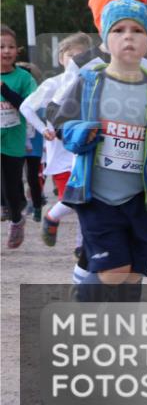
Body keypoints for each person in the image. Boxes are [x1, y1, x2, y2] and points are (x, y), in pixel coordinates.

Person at [52, 0, 147, 301]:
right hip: (97, 194)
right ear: (105, 40)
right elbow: (62, 123)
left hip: (142, 198)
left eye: (137, 30)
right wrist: (80, 133)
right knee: (115, 272)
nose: (128, 36)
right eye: (119, 30)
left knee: (132, 276)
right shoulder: (89, 82)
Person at [19, 32, 93, 246]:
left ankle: (81, 246)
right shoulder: (54, 84)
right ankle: (52, 216)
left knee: (86, 201)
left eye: (82, 56)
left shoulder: (93, 83)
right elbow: (26, 107)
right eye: (71, 55)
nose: (76, 60)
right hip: (61, 153)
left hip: (85, 150)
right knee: (72, 200)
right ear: (61, 58)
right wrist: (43, 129)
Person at [1, 24, 37, 248]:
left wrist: (5, 90)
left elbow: (28, 106)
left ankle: (16, 218)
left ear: (17, 50)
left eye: (11, 46)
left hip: (13, 141)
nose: (6, 51)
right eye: (1, 46)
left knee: (12, 188)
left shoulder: (23, 78)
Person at [18, 62, 45, 222]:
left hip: (34, 142)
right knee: (15, 176)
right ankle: (19, 205)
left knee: (32, 177)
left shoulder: (39, 94)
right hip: (17, 140)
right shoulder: (12, 93)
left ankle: (36, 206)